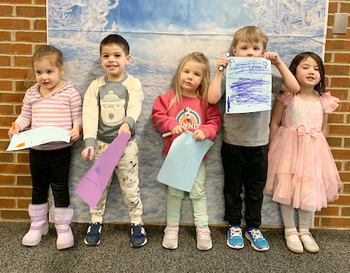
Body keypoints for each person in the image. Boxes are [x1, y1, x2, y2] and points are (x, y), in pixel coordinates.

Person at [208, 26, 300, 251]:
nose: (250, 52)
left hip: (259, 143)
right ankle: (233, 225)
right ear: (234, 51)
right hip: (233, 142)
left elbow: (294, 87)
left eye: (256, 48)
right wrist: (220, 70)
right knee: (232, 188)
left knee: (255, 189)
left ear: (263, 52)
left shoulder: (267, 74)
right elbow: (211, 99)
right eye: (244, 48)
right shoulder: (229, 73)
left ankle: (253, 227)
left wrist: (278, 63)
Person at [264, 52, 341, 253]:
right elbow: (274, 123)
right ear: (294, 71)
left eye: (316, 69)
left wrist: (318, 150)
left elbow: (323, 128)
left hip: (312, 152)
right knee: (286, 188)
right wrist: (273, 147)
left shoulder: (324, 100)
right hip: (287, 149)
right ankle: (290, 230)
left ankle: (305, 231)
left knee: (309, 189)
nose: (311, 72)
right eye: (305, 67)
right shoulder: (287, 97)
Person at [8, 45, 82, 250]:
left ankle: (63, 227)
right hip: (37, 150)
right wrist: (17, 127)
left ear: (61, 70)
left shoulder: (70, 93)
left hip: (60, 150)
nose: (44, 77)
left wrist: (77, 129)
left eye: (49, 71)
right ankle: (38, 225)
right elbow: (25, 116)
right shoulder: (32, 93)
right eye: (39, 72)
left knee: (59, 187)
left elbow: (78, 118)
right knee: (39, 187)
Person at [81, 34, 146, 248]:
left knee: (130, 187)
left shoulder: (132, 83)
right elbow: (89, 114)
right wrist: (89, 142)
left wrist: (128, 123)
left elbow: (135, 104)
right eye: (106, 55)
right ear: (100, 60)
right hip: (101, 145)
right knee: (98, 186)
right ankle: (95, 221)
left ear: (127, 59)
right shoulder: (96, 86)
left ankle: (137, 222)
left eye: (117, 55)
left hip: (126, 146)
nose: (112, 60)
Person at [152, 52, 221, 251]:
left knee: (198, 191)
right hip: (174, 156)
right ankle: (172, 227)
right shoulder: (169, 98)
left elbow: (215, 122)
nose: (190, 77)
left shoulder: (206, 102)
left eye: (196, 74)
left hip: (196, 157)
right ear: (179, 73)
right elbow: (157, 115)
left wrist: (205, 131)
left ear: (203, 79)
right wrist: (171, 124)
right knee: (174, 192)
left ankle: (202, 228)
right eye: (186, 71)